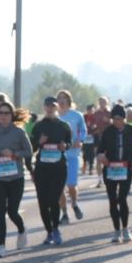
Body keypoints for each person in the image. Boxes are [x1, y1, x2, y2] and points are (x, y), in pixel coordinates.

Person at [0, 100, 32, 258]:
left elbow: (29, 151)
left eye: (7, 113)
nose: (3, 116)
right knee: (0, 213)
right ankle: (2, 246)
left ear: (12, 115)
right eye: (1, 113)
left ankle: (22, 229)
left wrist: (13, 154)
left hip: (15, 178)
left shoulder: (19, 132)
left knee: (12, 212)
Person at [97, 104, 132, 243]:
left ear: (124, 118)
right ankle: (116, 230)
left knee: (122, 198)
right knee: (112, 200)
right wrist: (101, 156)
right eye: (114, 119)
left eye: (119, 119)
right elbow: (100, 150)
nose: (116, 121)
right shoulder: (108, 131)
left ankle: (125, 229)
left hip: (126, 168)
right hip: (110, 168)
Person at [30, 96, 71, 245]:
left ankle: (56, 229)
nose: (50, 108)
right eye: (47, 106)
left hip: (58, 168)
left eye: (53, 106)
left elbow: (69, 143)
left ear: (57, 107)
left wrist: (65, 146)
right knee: (43, 202)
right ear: (44, 107)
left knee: (53, 199)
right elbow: (31, 148)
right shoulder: (38, 126)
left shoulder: (64, 126)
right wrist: (38, 142)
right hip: (42, 168)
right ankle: (49, 232)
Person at [56, 90, 87, 224]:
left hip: (72, 154)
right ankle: (64, 213)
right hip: (57, 156)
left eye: (64, 98)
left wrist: (80, 140)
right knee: (59, 187)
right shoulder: (54, 116)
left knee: (71, 185)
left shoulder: (77, 115)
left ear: (69, 100)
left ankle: (74, 203)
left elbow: (83, 131)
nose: (62, 100)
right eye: (59, 98)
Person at [82, 105, 97, 176]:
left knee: (92, 153)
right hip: (85, 137)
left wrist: (95, 127)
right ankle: (85, 164)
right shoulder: (83, 117)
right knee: (85, 152)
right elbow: (80, 125)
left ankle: (91, 167)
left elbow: (98, 125)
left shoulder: (95, 117)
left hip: (93, 137)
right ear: (87, 111)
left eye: (92, 110)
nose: (90, 112)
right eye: (89, 110)